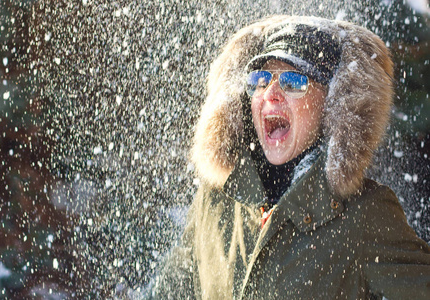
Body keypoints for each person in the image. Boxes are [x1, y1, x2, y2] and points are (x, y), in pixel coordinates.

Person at [145, 15, 430, 299]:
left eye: (293, 82)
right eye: (260, 79)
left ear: (331, 105)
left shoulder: (362, 214)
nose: (271, 93)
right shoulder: (217, 197)